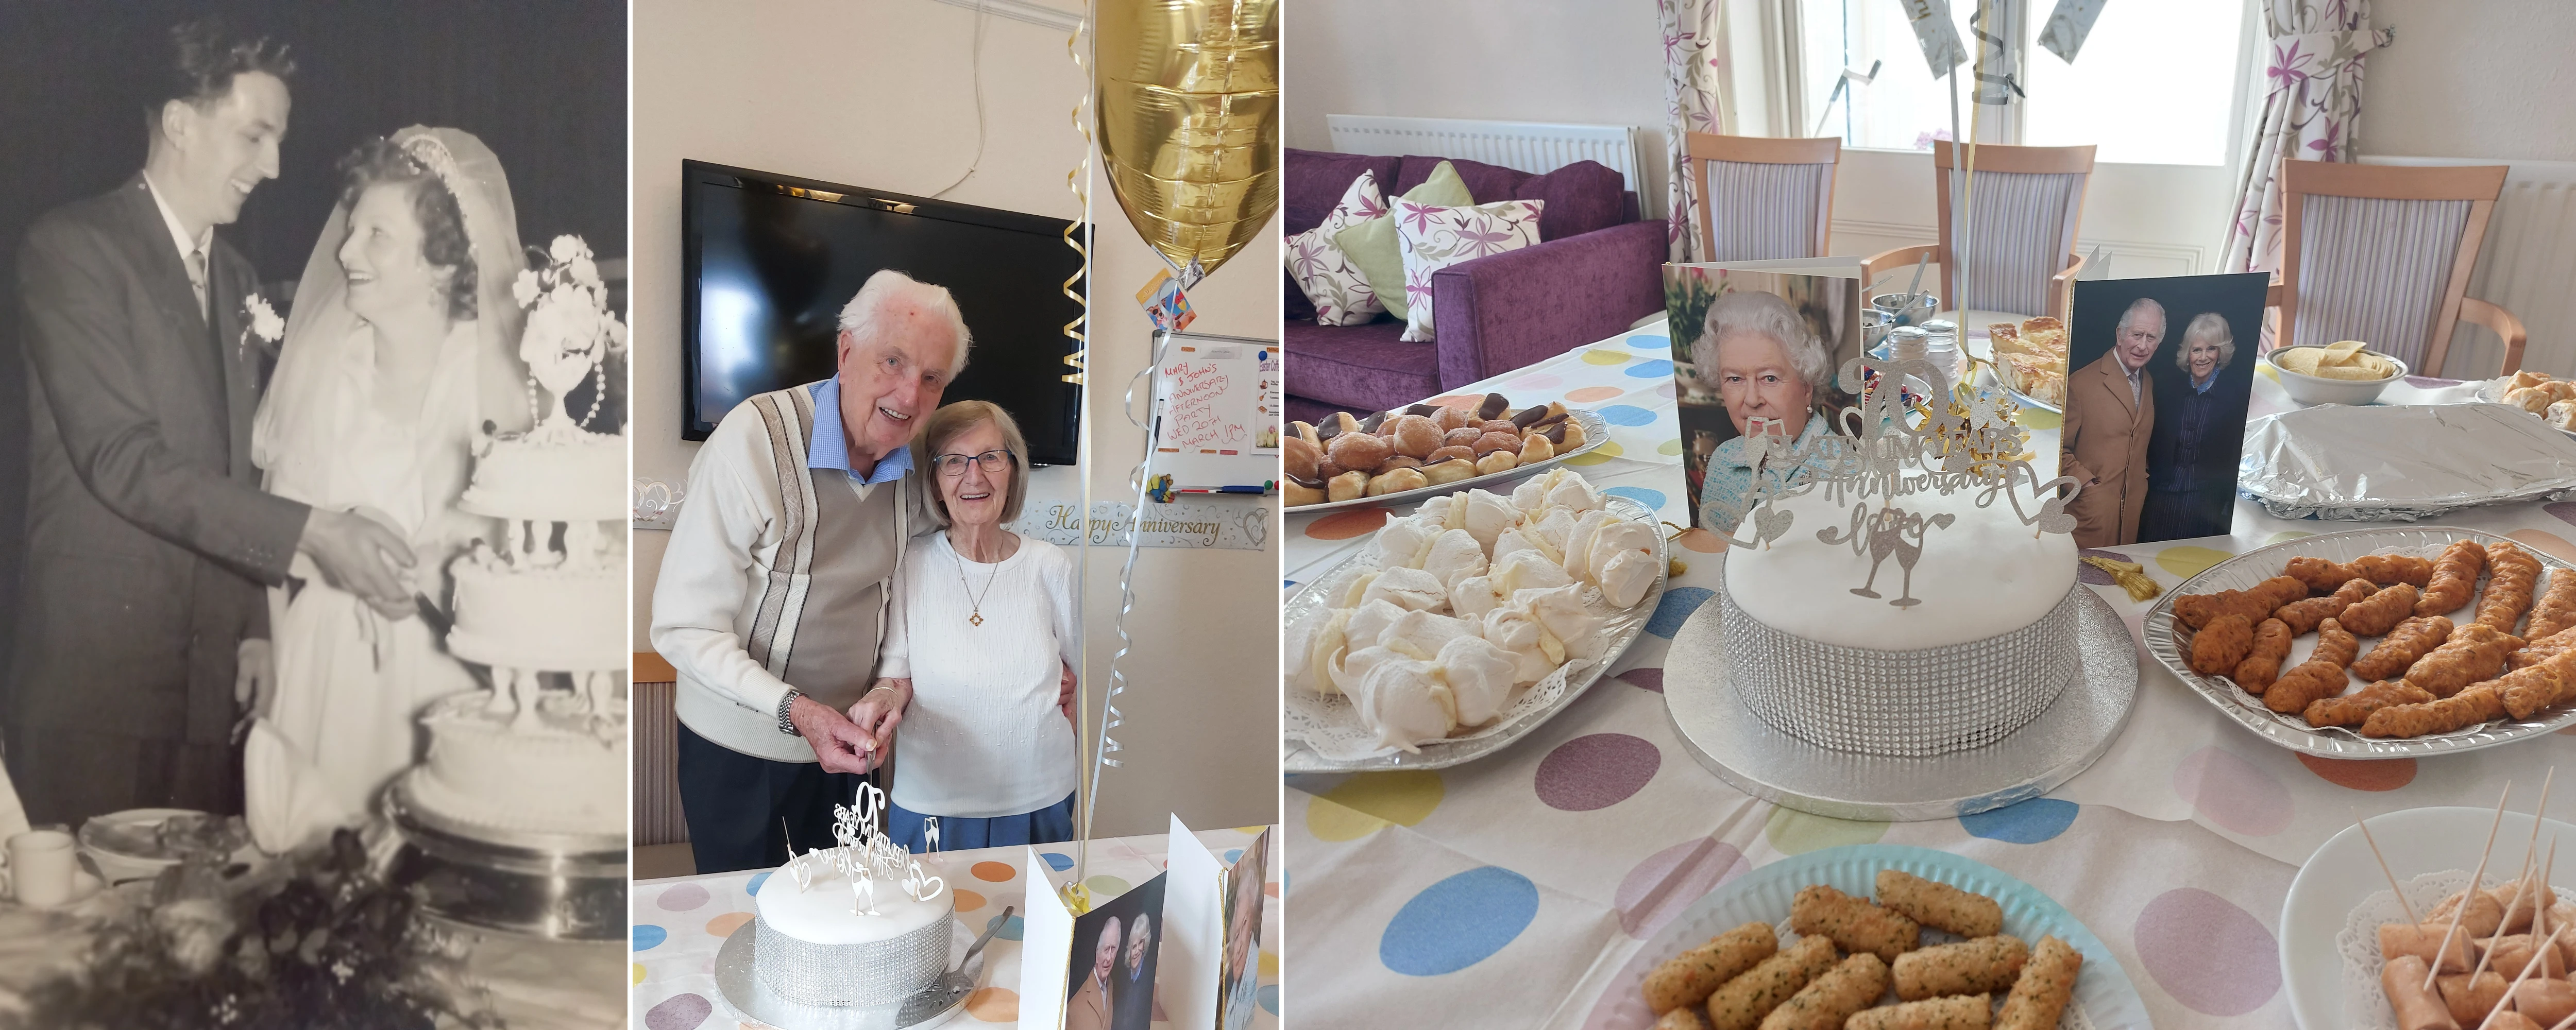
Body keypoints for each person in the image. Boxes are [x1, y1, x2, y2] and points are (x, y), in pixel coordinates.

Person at [11, 20, 415, 826]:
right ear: (179, 124)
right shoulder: (72, 249)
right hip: (96, 687)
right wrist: (317, 532)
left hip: (207, 694)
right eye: (254, 136)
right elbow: (123, 460)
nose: (271, 167)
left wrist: (249, 631)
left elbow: (232, 467)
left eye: (278, 141)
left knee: (193, 935)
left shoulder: (233, 277)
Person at [241, 130, 531, 854]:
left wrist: (426, 567)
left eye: (377, 235)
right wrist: (337, 535)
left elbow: (525, 552)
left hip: (449, 676)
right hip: (328, 669)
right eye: (350, 229)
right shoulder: (326, 368)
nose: (346, 254)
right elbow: (276, 536)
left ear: (440, 260)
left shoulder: (494, 374)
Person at [652, 269, 961, 873]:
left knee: (844, 932)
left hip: (853, 750)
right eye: (892, 362)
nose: (908, 396)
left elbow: (935, 582)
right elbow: (683, 628)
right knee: (750, 930)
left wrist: (890, 686)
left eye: (931, 379)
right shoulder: (753, 439)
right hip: (739, 750)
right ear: (846, 352)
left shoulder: (922, 465)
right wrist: (797, 710)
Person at [846, 401, 1079, 853]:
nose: (975, 476)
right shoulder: (909, 563)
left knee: (1034, 923)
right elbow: (895, 677)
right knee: (932, 924)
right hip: (934, 799)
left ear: (1013, 470)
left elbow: (1073, 673)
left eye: (991, 457)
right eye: (953, 461)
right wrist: (881, 700)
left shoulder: (1050, 565)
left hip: (1041, 795)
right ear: (933, 480)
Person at [1691, 290, 1843, 535]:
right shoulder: (1723, 459)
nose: (1752, 400)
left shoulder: (1840, 470)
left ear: (1806, 387)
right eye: (1735, 379)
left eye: (1769, 378)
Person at [2061, 297, 2165, 549]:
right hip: (2089, 513)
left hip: (2130, 514)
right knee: (2082, 584)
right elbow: (2058, 451)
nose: (2142, 345)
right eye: (2137, 334)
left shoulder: (2148, 381)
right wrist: (2086, 486)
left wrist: (2142, 475)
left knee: (2117, 585)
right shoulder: (2079, 384)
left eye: (2151, 338)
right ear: (2120, 334)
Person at [2139, 312, 2248, 543]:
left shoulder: (2236, 396)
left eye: (2211, 349)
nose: (2203, 357)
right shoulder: (2166, 390)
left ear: (2220, 354)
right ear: (2187, 354)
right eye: (2196, 350)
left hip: (2206, 501)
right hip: (2162, 494)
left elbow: (2236, 456)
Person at [1066, 915, 1120, 1030]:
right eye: (1106, 949)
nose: (1109, 958)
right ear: (1097, 953)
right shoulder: (1074, 1008)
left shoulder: (1111, 986)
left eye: (1113, 949)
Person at [1113, 911, 1154, 1029]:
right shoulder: (1123, 979)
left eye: (1140, 943)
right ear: (1129, 950)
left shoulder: (1149, 980)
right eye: (1134, 947)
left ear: (1145, 944)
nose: (1137, 952)